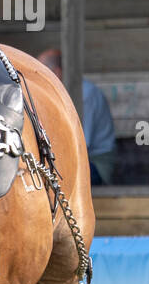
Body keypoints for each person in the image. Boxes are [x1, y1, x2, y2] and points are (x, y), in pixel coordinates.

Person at [37, 48, 116, 185]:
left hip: (95, 164)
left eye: (40, 74)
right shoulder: (62, 93)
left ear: (56, 72)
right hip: (74, 161)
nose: (37, 81)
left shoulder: (85, 95)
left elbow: (81, 144)